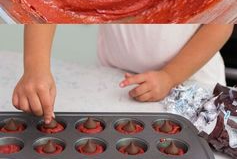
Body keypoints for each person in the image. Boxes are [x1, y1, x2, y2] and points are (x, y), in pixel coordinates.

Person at [12, 24, 233, 123]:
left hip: (193, 84)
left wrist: (169, 76)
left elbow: (221, 24)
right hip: (115, 83)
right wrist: (35, 68)